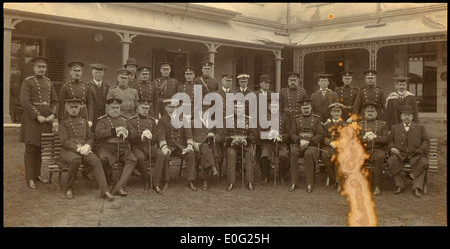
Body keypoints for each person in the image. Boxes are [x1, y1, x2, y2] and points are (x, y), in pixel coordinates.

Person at [58, 98, 114, 201]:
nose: (74, 109)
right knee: (76, 161)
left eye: (76, 107)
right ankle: (69, 188)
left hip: (84, 149)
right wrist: (77, 148)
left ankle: (104, 191)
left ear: (80, 108)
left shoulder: (84, 121)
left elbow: (90, 137)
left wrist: (88, 145)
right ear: (67, 108)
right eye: (71, 107)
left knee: (96, 161)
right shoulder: (63, 122)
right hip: (69, 150)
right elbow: (64, 141)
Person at [19, 56, 58, 189]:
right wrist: (37, 116)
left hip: (46, 120)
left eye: (44, 67)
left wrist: (53, 113)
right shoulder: (27, 82)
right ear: (34, 68)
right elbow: (25, 102)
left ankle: (37, 175)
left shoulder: (49, 82)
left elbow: (55, 100)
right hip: (32, 121)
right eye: (39, 67)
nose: (42, 69)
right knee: (31, 148)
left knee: (41, 148)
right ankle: (30, 178)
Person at [95, 98, 138, 196]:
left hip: (123, 148)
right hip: (107, 147)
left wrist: (128, 132)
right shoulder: (103, 120)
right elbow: (98, 134)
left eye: (117, 108)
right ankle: (110, 182)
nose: (115, 110)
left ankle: (120, 186)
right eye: (113, 108)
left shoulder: (125, 119)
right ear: (108, 108)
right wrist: (115, 130)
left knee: (133, 160)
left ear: (120, 108)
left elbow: (135, 133)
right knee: (104, 159)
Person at [387, 105, 430, 198]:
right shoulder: (395, 128)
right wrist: (392, 148)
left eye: (409, 115)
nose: (406, 117)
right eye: (404, 115)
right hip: (400, 154)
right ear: (401, 117)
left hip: (415, 154)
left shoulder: (420, 127)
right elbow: (390, 141)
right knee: (391, 161)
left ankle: (417, 187)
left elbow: (426, 141)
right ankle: (399, 185)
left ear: (412, 117)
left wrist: (420, 150)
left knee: (423, 163)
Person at [157, 99, 197, 191]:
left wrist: (189, 146)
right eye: (170, 107)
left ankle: (191, 181)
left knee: (191, 155)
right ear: (166, 108)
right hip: (169, 146)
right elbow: (161, 136)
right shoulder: (162, 120)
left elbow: (188, 134)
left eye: (174, 107)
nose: (172, 109)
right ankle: (165, 181)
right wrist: (164, 147)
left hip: (181, 147)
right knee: (165, 156)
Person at [127, 98, 166, 194]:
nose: (145, 111)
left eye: (147, 109)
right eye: (143, 108)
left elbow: (156, 136)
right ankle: (146, 179)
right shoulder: (132, 121)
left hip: (149, 147)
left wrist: (152, 136)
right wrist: (141, 136)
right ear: (138, 108)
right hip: (137, 146)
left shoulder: (152, 121)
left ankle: (156, 182)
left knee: (161, 154)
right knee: (140, 157)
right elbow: (130, 138)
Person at [217, 102, 256, 191]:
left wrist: (246, 141)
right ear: (234, 109)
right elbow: (224, 135)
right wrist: (231, 141)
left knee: (249, 154)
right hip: (233, 145)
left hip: (245, 145)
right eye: (236, 108)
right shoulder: (228, 120)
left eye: (240, 108)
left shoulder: (248, 120)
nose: (238, 110)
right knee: (231, 154)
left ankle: (250, 182)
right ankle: (231, 182)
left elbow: (253, 134)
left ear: (244, 109)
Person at [289, 99, 323, 193]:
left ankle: (309, 184)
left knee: (308, 154)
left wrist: (310, 142)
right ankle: (293, 182)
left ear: (311, 108)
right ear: (301, 108)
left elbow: (320, 134)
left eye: (307, 108)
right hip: (299, 144)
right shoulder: (296, 119)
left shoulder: (317, 119)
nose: (306, 110)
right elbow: (292, 133)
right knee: (293, 153)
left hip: (312, 145)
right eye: (304, 108)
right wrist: (300, 140)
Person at [358, 102, 389, 195]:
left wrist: (375, 137)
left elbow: (386, 139)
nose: (370, 113)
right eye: (368, 111)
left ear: (376, 113)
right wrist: (363, 138)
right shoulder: (360, 124)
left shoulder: (382, 125)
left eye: (372, 111)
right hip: (363, 149)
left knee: (379, 157)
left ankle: (377, 185)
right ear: (365, 113)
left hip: (377, 149)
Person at [257, 101, 290, 186]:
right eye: (272, 107)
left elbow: (288, 133)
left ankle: (282, 176)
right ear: (269, 107)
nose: (274, 109)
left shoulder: (284, 118)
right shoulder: (264, 118)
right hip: (268, 144)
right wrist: (269, 135)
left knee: (283, 156)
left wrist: (280, 137)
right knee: (264, 155)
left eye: (276, 107)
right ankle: (266, 176)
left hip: (281, 144)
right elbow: (260, 134)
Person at [321, 102, 347, 193]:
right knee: (325, 155)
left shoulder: (345, 124)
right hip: (330, 147)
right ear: (331, 113)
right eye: (334, 111)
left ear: (341, 113)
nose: (336, 113)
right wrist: (330, 142)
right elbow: (324, 137)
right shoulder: (327, 125)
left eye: (338, 111)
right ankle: (334, 179)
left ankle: (339, 183)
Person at [59, 61, 94, 127]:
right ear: (70, 72)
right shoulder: (65, 87)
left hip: (83, 115)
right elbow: (61, 106)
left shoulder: (86, 87)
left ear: (81, 72)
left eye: (79, 71)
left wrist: (90, 120)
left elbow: (90, 105)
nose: (77, 73)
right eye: (75, 71)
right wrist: (61, 120)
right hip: (70, 115)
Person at [192, 108, 219, 191]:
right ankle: (213, 167)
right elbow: (188, 135)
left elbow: (220, 134)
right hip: (197, 146)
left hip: (211, 147)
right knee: (204, 148)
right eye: (203, 111)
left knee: (205, 154)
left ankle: (205, 181)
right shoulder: (193, 122)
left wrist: (214, 135)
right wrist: (193, 143)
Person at [87, 63, 110, 131]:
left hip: (103, 115)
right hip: (93, 116)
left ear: (103, 74)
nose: (98, 74)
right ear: (92, 74)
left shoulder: (107, 87)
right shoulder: (88, 86)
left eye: (100, 73)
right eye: (96, 72)